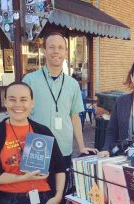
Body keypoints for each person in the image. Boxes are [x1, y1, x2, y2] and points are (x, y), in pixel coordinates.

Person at [23, 31, 97, 165]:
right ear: (44, 51)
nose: (56, 51)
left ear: (66, 52)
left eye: (60, 47)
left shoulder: (73, 84)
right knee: (37, 186)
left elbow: (74, 117)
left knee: (61, 185)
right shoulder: (29, 81)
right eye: (51, 47)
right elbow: (22, 115)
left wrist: (81, 146)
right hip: (36, 147)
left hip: (64, 146)